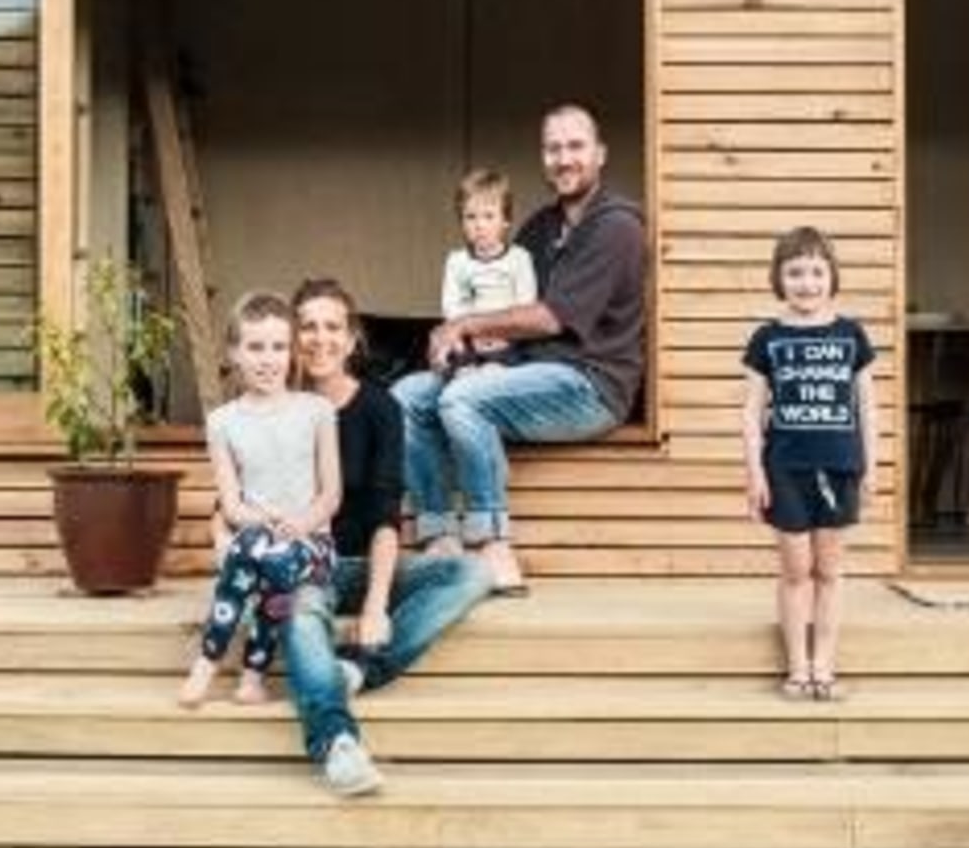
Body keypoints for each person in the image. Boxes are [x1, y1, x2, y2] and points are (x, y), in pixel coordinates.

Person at [397, 103, 648, 594]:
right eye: (553, 148)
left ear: (600, 154)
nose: (564, 158)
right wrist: (465, 347)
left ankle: (492, 545)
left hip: (590, 386)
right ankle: (439, 537)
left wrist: (466, 325)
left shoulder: (617, 225)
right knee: (405, 396)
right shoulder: (538, 227)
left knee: (462, 400)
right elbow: (508, 313)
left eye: (576, 146)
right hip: (520, 371)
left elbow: (551, 317)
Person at [278, 278, 495, 797]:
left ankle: (357, 670)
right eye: (307, 326)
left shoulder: (379, 407)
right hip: (305, 568)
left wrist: (376, 606)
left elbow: (384, 514)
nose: (319, 338)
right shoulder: (278, 406)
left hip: (366, 560)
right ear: (293, 336)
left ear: (352, 340)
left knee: (470, 571)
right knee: (300, 610)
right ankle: (336, 742)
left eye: (332, 327)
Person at [178, 291, 340, 708]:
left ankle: (217, 662)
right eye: (255, 347)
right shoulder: (222, 422)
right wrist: (263, 521)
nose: (268, 359)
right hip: (256, 536)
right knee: (259, 551)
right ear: (234, 352)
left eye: (278, 347)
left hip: (311, 543)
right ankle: (242, 674)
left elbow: (331, 494)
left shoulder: (317, 411)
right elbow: (231, 505)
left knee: (274, 559)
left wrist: (301, 523)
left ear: (292, 353)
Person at [740, 227, 877, 703]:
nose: (807, 282)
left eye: (817, 271)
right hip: (785, 470)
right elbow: (751, 412)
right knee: (796, 570)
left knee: (830, 571)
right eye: (795, 272)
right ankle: (797, 667)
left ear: (832, 276)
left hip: (840, 468)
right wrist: (754, 472)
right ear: (779, 278)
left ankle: (825, 666)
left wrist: (871, 467)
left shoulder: (851, 335)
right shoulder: (767, 338)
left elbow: (866, 406)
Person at [440, 168, 538, 364]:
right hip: (468, 336)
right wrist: (473, 333)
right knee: (450, 356)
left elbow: (526, 305)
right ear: (462, 222)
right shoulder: (457, 261)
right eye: (471, 217)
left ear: (506, 221)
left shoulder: (520, 259)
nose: (479, 226)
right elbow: (451, 305)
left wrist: (501, 334)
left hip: (509, 338)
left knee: (508, 360)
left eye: (489, 216)